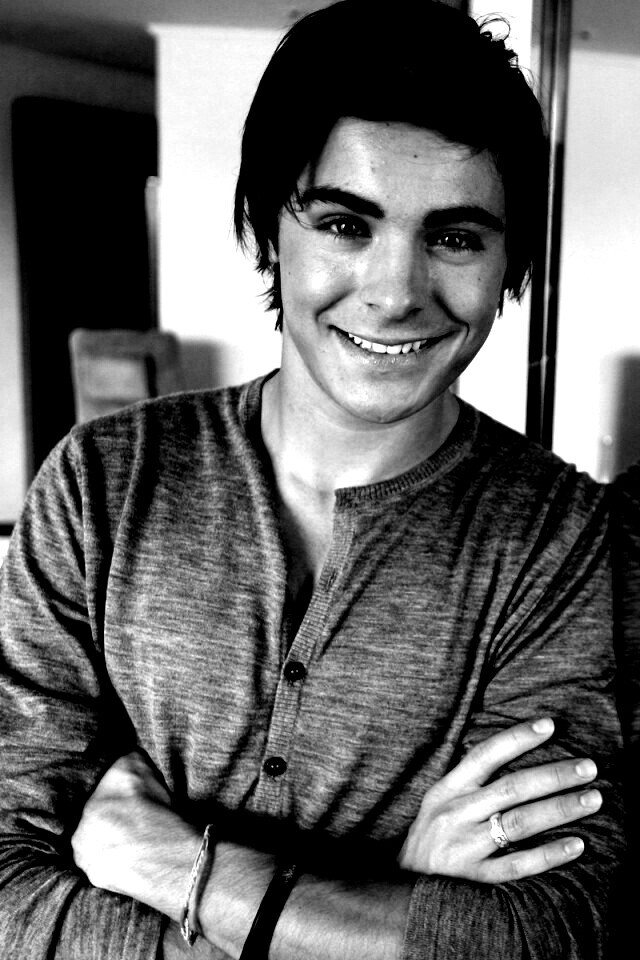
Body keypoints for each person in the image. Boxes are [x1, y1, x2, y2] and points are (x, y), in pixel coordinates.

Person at [0, 2, 624, 958]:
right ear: (268, 231)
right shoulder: (100, 486)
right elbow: (9, 888)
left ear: (509, 262)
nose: (395, 291)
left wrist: (180, 868)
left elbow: (550, 933)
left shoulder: (564, 540)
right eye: (344, 223)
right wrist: (382, 909)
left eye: (456, 237)